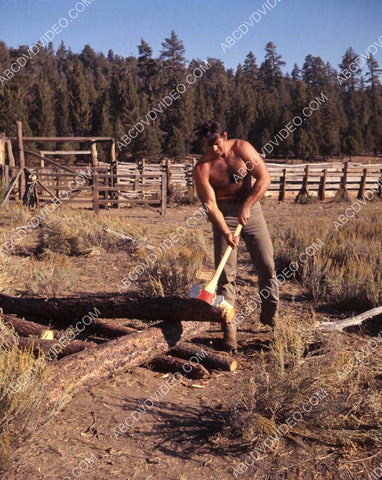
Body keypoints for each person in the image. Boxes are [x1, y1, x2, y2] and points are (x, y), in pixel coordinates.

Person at [193, 120, 279, 351]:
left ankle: (270, 318)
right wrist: (225, 231)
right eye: (209, 146)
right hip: (223, 215)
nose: (214, 150)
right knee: (225, 276)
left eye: (218, 144)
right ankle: (229, 330)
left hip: (252, 210)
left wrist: (248, 204)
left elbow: (264, 178)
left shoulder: (242, 148)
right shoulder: (202, 168)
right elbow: (210, 204)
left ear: (225, 136)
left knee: (266, 265)